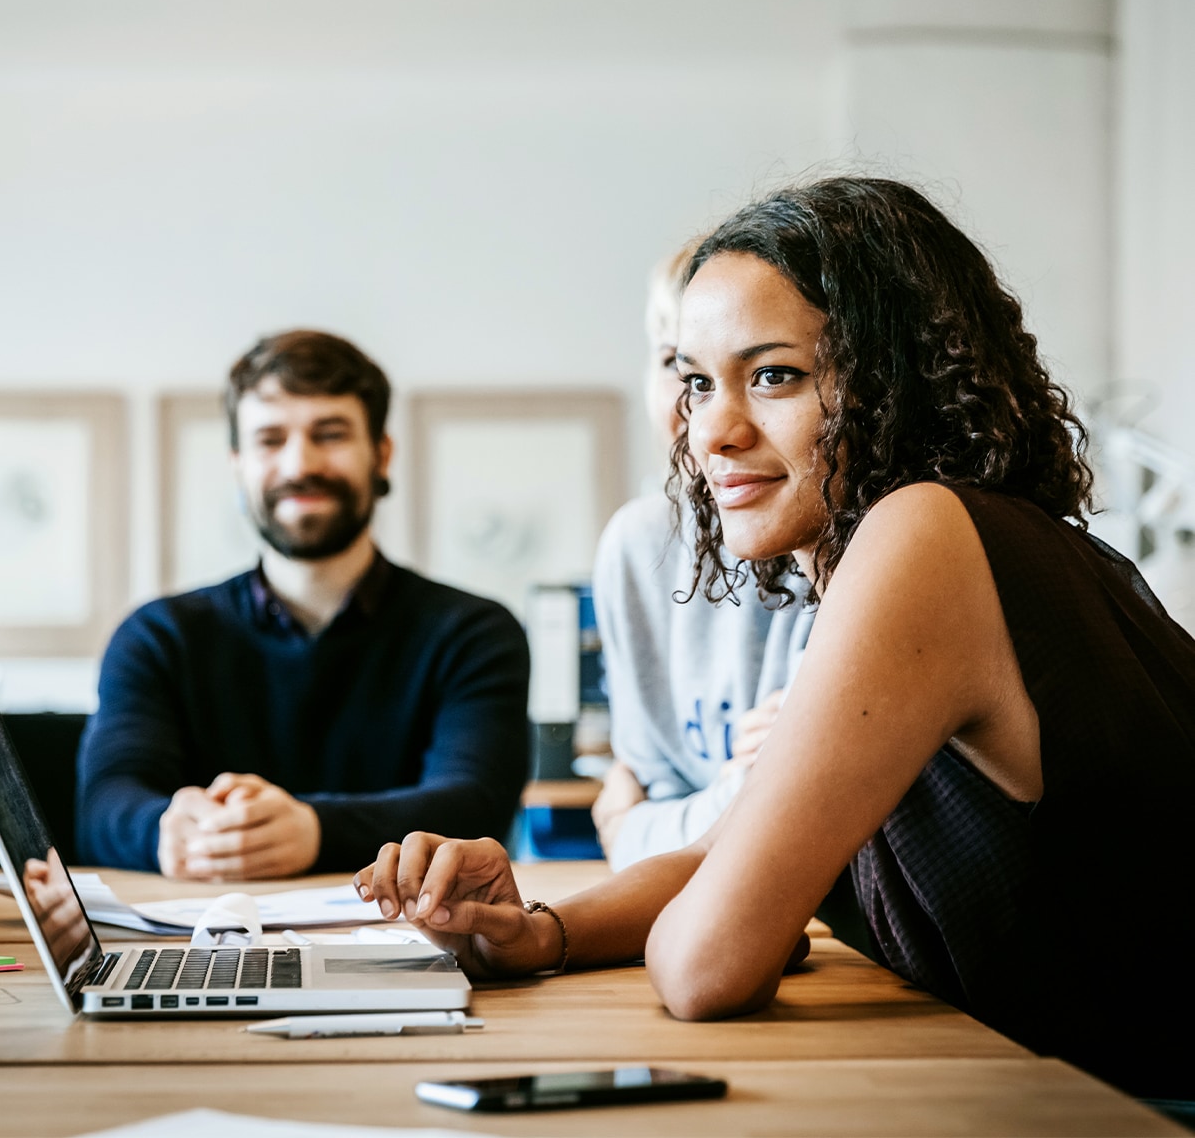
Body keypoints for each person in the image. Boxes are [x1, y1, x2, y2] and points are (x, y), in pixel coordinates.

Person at [354, 178, 1195, 1100]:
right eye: (696, 381)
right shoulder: (954, 541)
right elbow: (733, 850)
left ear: (892, 379)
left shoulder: (925, 536)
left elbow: (707, 967)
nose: (713, 429)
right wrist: (537, 929)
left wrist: (753, 913)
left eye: (773, 375)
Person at [77, 329, 530, 879]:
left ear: (381, 455)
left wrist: (313, 831)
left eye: (330, 434)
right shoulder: (157, 636)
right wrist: (170, 831)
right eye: (270, 440)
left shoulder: (473, 632)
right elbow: (103, 806)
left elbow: (474, 804)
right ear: (238, 464)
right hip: (201, 946)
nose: (299, 464)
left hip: (409, 945)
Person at [590, 245, 815, 869]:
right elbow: (651, 782)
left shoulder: (829, 540)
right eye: (685, 372)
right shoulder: (637, 546)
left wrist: (635, 832)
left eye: (768, 373)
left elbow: (791, 814)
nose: (710, 418)